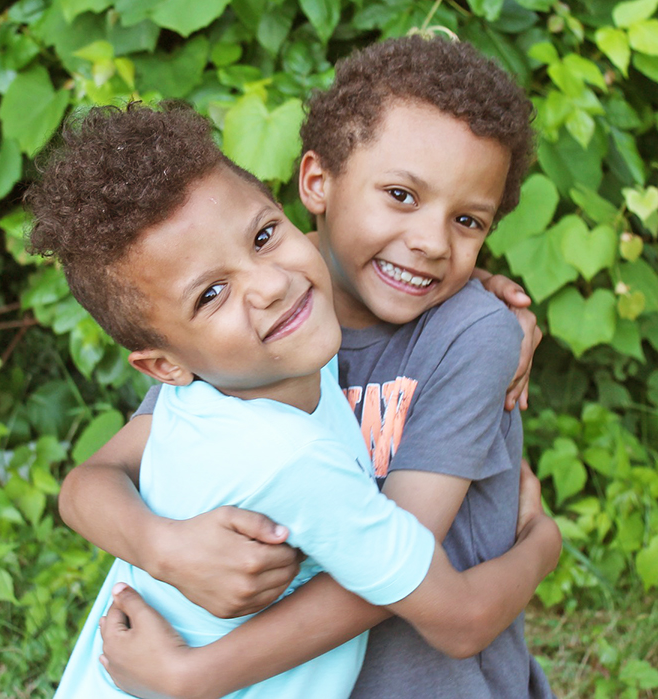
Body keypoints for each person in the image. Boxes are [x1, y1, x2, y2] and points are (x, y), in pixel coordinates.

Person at [61, 36, 556, 699]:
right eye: (401, 195)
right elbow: (88, 483)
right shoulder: (252, 341)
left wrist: (195, 674)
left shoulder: (456, 332)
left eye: (468, 220)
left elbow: (399, 581)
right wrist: (162, 546)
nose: (433, 242)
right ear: (315, 183)